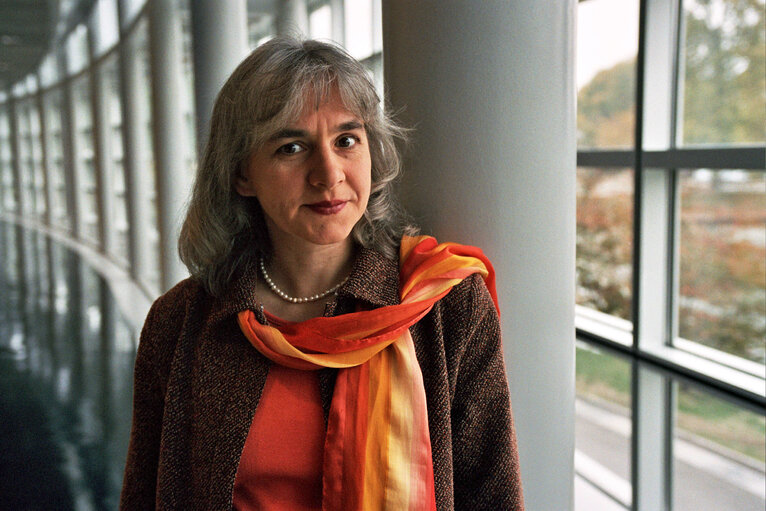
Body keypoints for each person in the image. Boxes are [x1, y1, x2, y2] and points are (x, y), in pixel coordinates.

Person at [120, 37, 523, 511]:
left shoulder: (445, 306)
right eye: (292, 147)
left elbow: (492, 496)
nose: (328, 173)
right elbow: (145, 495)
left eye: (346, 140)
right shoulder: (180, 322)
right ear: (241, 174)